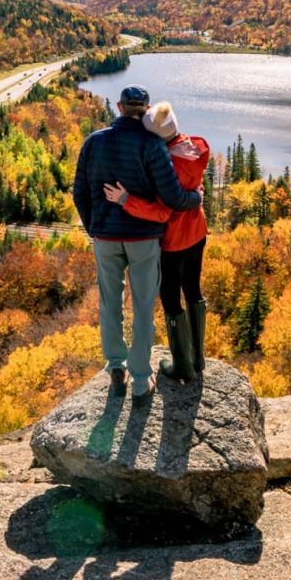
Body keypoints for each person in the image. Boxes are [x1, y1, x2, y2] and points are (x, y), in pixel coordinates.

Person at [73, 84, 203, 406]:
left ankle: (116, 370)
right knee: (143, 308)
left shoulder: (94, 142)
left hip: (106, 237)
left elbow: (79, 192)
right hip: (144, 239)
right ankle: (142, 381)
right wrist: (196, 198)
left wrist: (95, 228)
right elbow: (173, 197)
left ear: (119, 106)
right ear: (145, 110)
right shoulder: (152, 145)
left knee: (109, 303)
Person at [103, 101, 209, 384]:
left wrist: (126, 200)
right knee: (194, 289)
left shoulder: (166, 165)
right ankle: (198, 358)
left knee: (172, 298)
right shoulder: (197, 147)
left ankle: (183, 367)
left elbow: (162, 211)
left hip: (173, 240)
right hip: (197, 231)